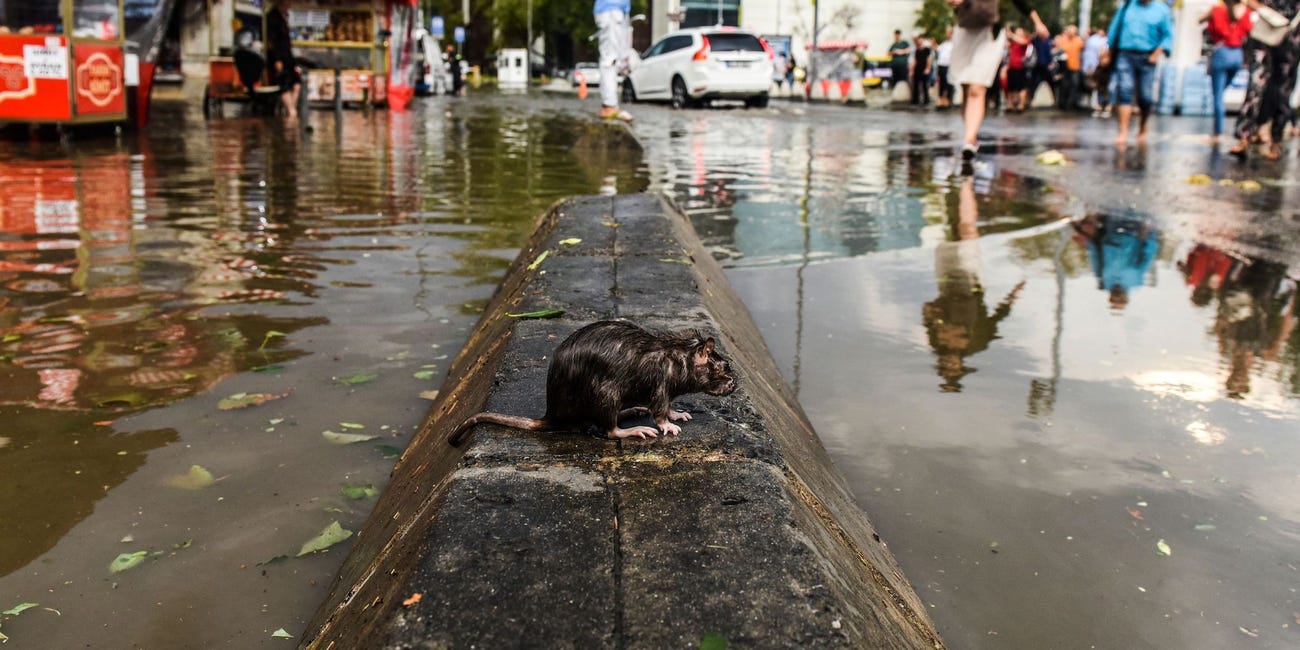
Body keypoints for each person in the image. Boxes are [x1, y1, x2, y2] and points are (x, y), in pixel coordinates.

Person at [922, 174, 1025, 392]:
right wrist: (1014, 294)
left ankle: (950, 189)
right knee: (967, 231)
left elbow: (927, 312)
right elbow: (996, 317)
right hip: (970, 282)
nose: (949, 365)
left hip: (946, 282)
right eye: (952, 371)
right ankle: (965, 186)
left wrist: (937, 316)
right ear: (961, 368)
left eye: (945, 369)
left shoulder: (934, 342)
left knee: (947, 233)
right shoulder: (978, 342)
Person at [947, 0, 1049, 166]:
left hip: (990, 32)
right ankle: (970, 135)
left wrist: (1037, 22)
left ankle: (970, 140)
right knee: (966, 86)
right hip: (965, 29)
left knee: (977, 87)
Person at [1230, 0, 1299, 159]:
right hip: (1266, 32)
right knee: (1255, 86)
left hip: (1292, 36)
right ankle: (1244, 137)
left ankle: (1276, 141)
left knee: (1282, 91)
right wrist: (1265, 11)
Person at [1107, 0, 1174, 146]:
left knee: (1145, 97)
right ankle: (1123, 131)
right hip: (1125, 54)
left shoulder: (1162, 10)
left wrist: (1157, 53)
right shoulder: (1126, 6)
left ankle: (1143, 126)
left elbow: (1168, 35)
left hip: (1148, 57)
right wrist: (1108, 51)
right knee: (1124, 90)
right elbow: (1114, 29)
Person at [1071, 214, 1160, 310]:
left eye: (1113, 300)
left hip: (1111, 227)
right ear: (1126, 298)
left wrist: (1089, 241)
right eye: (1121, 300)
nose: (1117, 298)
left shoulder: (1103, 281)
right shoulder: (1136, 281)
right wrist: (1151, 235)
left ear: (1109, 298)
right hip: (1133, 230)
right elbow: (1148, 255)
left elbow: (1096, 256)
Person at [1201, 0, 1253, 141]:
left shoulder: (1217, 10)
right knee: (1222, 91)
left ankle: (1217, 131)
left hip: (1222, 51)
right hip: (1237, 55)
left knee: (1218, 94)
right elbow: (1249, 30)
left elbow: (1199, 20)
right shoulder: (1246, 11)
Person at [594, 0, 634, 121]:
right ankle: (609, 106)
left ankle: (611, 105)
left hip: (618, 10)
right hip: (611, 10)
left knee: (614, 59)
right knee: (609, 59)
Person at [265, 0, 300, 119]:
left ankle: (291, 109)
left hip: (287, 57)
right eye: (286, 4)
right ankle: (291, 111)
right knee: (283, 83)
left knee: (296, 83)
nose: (289, 6)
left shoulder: (282, 18)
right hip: (279, 57)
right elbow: (271, 41)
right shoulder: (272, 18)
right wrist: (276, 60)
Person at [1055, 25, 1086, 110]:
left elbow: (1083, 47)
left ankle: (1072, 103)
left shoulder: (1078, 40)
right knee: (1064, 85)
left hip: (1075, 66)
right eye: (1070, 31)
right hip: (1064, 67)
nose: (1071, 33)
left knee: (1075, 85)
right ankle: (1062, 103)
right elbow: (1059, 48)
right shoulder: (1063, 39)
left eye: (1073, 31)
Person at [1082, 26, 1109, 110]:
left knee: (1097, 86)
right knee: (1099, 87)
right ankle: (1100, 104)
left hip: (1095, 66)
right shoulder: (1102, 40)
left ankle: (1096, 104)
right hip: (1098, 66)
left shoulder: (1091, 40)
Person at [1005, 26, 1032, 111]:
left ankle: (1021, 105)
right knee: (1011, 88)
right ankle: (1010, 104)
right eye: (1017, 32)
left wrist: (1011, 35)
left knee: (1021, 87)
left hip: (1020, 67)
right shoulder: (1013, 42)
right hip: (1011, 67)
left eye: (1019, 32)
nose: (1017, 33)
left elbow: (1023, 42)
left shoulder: (1026, 41)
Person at [889, 30, 913, 96]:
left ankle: (906, 94)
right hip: (894, 66)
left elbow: (909, 50)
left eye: (898, 35)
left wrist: (899, 51)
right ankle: (896, 94)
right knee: (895, 81)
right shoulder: (893, 44)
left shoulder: (904, 43)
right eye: (896, 35)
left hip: (903, 65)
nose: (897, 36)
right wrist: (893, 52)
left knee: (904, 80)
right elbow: (888, 53)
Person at [936, 27, 956, 107]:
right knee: (942, 82)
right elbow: (938, 50)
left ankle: (948, 99)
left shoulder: (954, 44)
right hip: (941, 65)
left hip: (949, 65)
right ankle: (941, 98)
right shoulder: (944, 44)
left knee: (949, 83)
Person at [912, 34, 933, 105]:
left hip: (924, 69)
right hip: (917, 69)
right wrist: (912, 70)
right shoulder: (917, 50)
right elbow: (915, 60)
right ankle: (915, 100)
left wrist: (928, 68)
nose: (919, 41)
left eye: (921, 39)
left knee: (924, 85)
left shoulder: (927, 49)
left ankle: (926, 100)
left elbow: (929, 59)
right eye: (918, 40)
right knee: (916, 85)